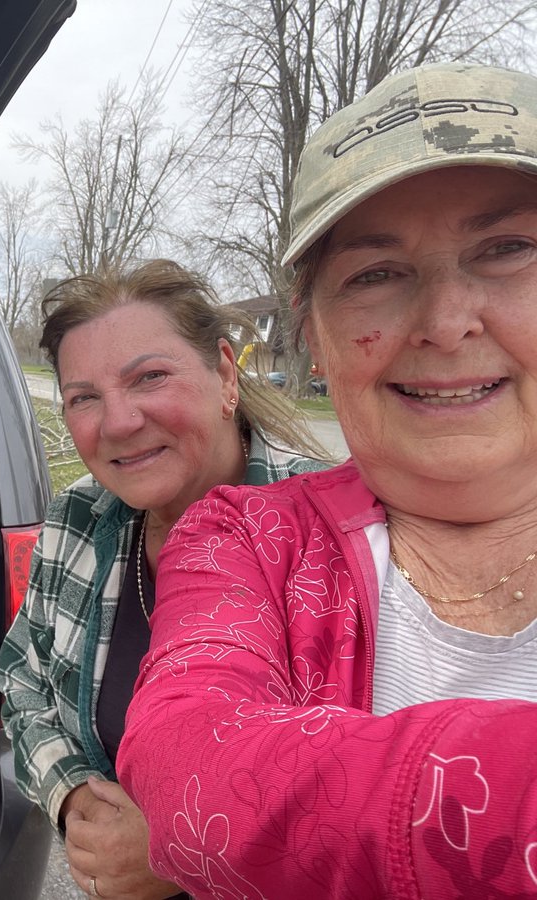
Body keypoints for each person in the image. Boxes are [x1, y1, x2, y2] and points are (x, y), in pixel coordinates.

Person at [117, 63, 537, 899]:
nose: (448, 322)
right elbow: (185, 760)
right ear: (315, 332)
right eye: (376, 274)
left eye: (509, 250)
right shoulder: (248, 539)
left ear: (229, 378)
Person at [0, 260, 329, 899]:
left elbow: (395, 798)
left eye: (149, 377)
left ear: (225, 373)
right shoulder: (82, 518)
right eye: (84, 397)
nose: (117, 422)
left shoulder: (328, 529)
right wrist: (69, 796)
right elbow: (24, 679)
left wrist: (184, 845)